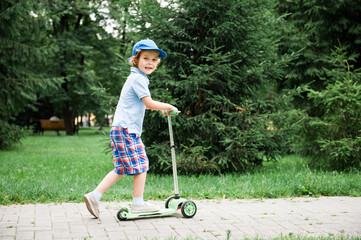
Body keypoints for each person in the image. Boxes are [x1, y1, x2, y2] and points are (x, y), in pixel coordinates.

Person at [84, 39, 178, 219]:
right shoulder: (138, 78)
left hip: (120, 129)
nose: (150, 63)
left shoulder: (136, 78)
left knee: (121, 168)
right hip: (127, 131)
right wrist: (168, 106)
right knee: (142, 165)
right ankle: (137, 204)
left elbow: (139, 106)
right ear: (136, 60)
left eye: (154, 60)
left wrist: (163, 111)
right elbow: (148, 103)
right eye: (146, 58)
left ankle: (94, 196)